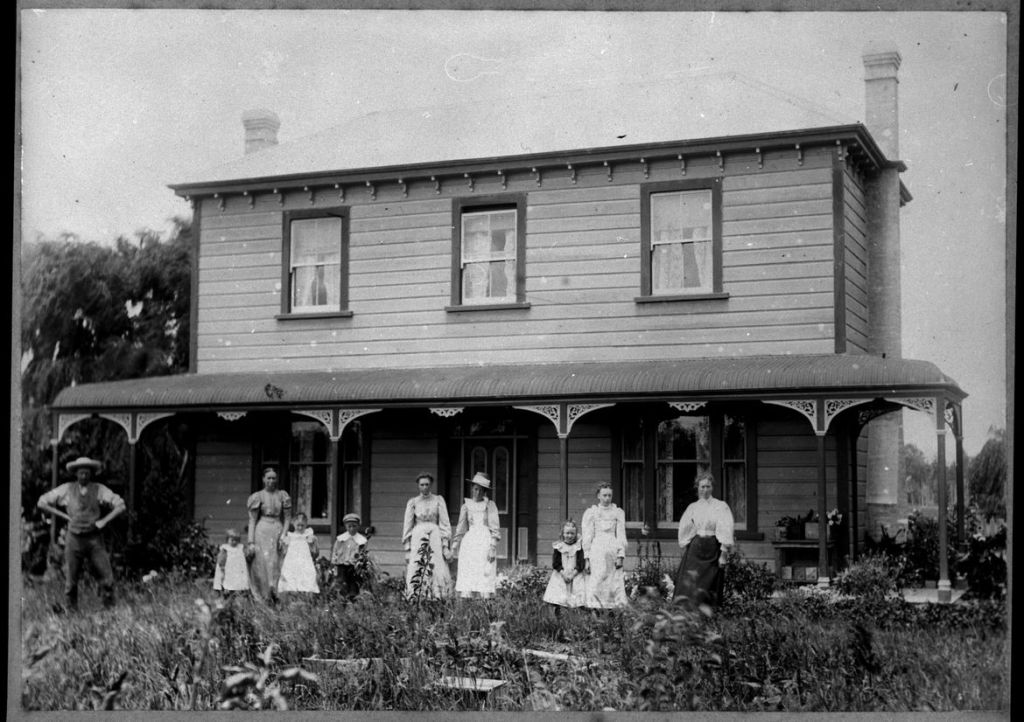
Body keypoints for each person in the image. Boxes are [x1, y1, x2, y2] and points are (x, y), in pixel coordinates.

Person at [37, 456, 126, 611]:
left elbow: (121, 505)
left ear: (91, 474)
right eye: (81, 473)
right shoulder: (67, 489)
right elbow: (42, 502)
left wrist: (104, 521)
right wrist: (63, 516)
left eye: (86, 473)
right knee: (71, 581)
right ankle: (71, 613)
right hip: (74, 539)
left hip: (94, 539)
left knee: (107, 577)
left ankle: (110, 611)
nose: (84, 476)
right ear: (76, 474)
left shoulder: (99, 489)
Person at [672, 471, 734, 609]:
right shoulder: (693, 507)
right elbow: (686, 528)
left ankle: (706, 615)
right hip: (696, 549)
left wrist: (723, 554)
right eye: (702, 487)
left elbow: (725, 530)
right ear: (697, 488)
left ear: (712, 487)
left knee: (710, 583)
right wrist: (689, 543)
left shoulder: (720, 506)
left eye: (708, 486)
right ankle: (686, 613)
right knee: (689, 582)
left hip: (713, 548)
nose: (705, 490)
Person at [401, 472, 453, 598]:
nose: (424, 487)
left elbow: (445, 523)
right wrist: (407, 549)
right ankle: (418, 595)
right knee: (419, 563)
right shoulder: (413, 502)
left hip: (435, 536)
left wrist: (445, 545)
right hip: (418, 536)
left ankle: (437, 596)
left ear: (431, 485)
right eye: (422, 485)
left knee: (436, 563)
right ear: (418, 486)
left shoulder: (438, 500)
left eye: (427, 484)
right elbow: (407, 525)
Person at [452, 472, 501, 599]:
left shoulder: (490, 505)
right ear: (472, 489)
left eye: (481, 490)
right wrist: (454, 546)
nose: (477, 492)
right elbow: (461, 527)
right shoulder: (466, 506)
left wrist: (492, 548)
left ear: (485, 491)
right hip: (470, 542)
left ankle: (484, 604)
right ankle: (468, 604)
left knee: (484, 573)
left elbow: (495, 528)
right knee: (469, 573)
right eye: (475, 489)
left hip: (485, 541)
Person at [246, 466, 292, 602]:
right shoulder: (258, 496)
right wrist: (250, 541)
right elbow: (252, 520)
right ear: (263, 479)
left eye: (274, 478)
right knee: (262, 562)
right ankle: (263, 595)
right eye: (268, 478)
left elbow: (288, 518)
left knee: (276, 562)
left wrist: (284, 535)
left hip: (277, 528)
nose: (271, 481)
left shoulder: (282, 495)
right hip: (262, 530)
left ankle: (276, 594)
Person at [581, 482, 628, 609]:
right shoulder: (592, 512)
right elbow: (587, 536)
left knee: (613, 580)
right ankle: (596, 608)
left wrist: (620, 555)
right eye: (604, 495)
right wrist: (587, 559)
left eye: (609, 495)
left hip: (612, 549)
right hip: (597, 550)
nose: (607, 498)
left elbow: (621, 535)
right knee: (597, 579)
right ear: (598, 496)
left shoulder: (617, 512)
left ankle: (612, 609)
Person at [542, 519, 586, 612]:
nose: (569, 536)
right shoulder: (559, 546)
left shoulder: (578, 547)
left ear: (576, 534)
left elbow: (581, 563)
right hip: (561, 574)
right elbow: (556, 563)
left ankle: (576, 615)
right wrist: (563, 574)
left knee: (577, 598)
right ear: (563, 533)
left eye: (572, 533)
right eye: (567, 533)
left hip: (575, 575)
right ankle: (559, 615)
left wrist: (572, 575)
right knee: (559, 598)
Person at [278, 512, 320, 595]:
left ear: (306, 524)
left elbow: (315, 552)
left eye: (302, 525)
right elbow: (283, 552)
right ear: (293, 523)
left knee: (307, 576)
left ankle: (305, 595)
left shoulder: (308, 536)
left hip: (305, 561)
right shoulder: (290, 536)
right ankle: (292, 595)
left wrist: (312, 543)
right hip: (292, 561)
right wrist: (284, 545)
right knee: (291, 577)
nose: (300, 527)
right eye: (298, 525)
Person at [331, 512, 368, 600]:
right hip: (341, 564)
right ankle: (342, 599)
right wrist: (334, 561)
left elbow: (363, 553)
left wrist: (361, 562)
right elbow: (335, 550)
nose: (352, 528)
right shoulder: (341, 539)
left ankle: (352, 599)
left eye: (354, 526)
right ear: (345, 526)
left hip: (354, 566)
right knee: (341, 582)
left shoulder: (361, 540)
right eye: (349, 526)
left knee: (353, 583)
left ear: (358, 526)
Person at [213, 528, 251, 598]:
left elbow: (246, 555)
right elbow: (221, 559)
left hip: (239, 569)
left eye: (236, 540)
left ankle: (241, 592)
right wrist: (222, 567)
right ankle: (228, 593)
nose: (234, 542)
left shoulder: (241, 547)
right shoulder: (226, 549)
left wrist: (248, 554)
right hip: (229, 569)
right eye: (232, 540)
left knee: (240, 581)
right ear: (227, 539)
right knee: (229, 582)